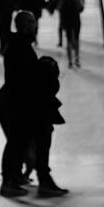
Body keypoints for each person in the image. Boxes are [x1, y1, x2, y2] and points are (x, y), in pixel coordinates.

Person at [0, 10, 39, 197]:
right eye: (30, 21)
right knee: (15, 141)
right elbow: (21, 76)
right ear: (22, 25)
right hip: (12, 101)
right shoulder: (19, 46)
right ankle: (7, 182)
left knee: (19, 141)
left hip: (13, 99)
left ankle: (15, 176)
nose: (34, 24)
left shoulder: (19, 44)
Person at [29, 56, 68, 196]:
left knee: (40, 150)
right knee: (42, 150)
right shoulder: (48, 85)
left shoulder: (38, 85)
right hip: (42, 118)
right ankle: (45, 183)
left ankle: (44, 180)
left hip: (40, 117)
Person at [57, 0, 84, 69]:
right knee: (76, 39)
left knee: (68, 40)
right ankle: (77, 58)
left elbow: (59, 8)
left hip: (66, 19)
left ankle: (70, 62)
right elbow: (81, 8)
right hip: (75, 19)